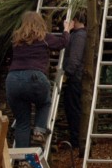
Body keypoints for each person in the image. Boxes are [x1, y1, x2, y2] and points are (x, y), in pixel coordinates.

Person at [6, 11, 72, 147]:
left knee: (22, 123)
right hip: (34, 77)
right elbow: (62, 43)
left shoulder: (16, 38)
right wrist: (66, 29)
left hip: (13, 80)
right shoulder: (44, 37)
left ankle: (22, 160)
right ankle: (39, 131)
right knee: (44, 103)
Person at [62, 9, 87, 149]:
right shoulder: (78, 35)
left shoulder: (79, 36)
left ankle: (76, 140)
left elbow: (75, 58)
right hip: (75, 77)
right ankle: (75, 138)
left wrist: (67, 74)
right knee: (72, 108)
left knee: (73, 109)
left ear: (75, 20)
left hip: (75, 78)